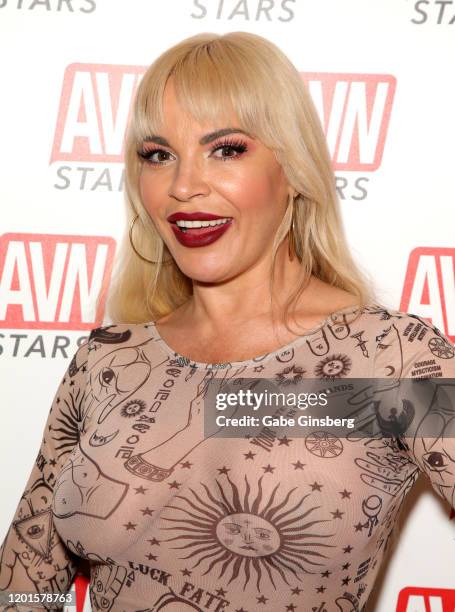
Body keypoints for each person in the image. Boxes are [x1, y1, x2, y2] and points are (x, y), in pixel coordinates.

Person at [1, 31, 454, 612]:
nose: (184, 185)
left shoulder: (390, 361)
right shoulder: (109, 360)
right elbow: (25, 580)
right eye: (158, 155)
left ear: (293, 170)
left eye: (227, 149)